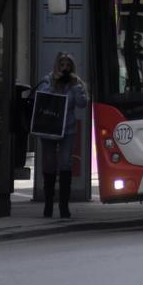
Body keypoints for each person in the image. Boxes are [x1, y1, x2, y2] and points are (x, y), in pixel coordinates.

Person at [38, 52, 88, 218]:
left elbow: (82, 103)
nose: (64, 69)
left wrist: (75, 85)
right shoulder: (49, 79)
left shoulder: (76, 82)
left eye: (67, 66)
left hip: (67, 128)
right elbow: (43, 97)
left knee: (65, 164)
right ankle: (48, 205)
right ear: (56, 66)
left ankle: (64, 206)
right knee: (49, 164)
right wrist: (55, 82)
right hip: (49, 128)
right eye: (62, 65)